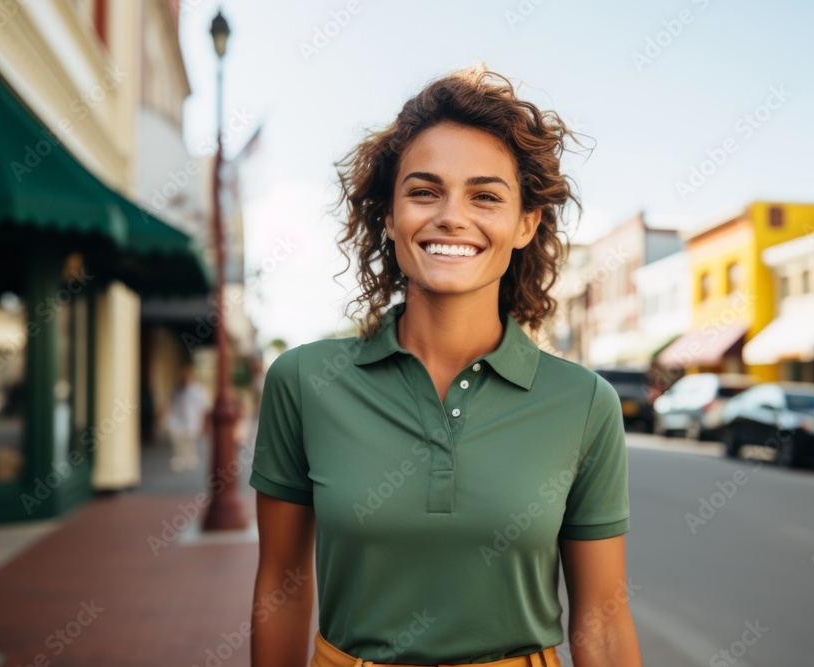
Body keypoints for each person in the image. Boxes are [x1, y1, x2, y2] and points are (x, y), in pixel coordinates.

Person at [250, 66, 642, 666]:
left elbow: (603, 619)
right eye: (424, 191)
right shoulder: (304, 382)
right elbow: (281, 585)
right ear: (389, 215)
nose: (451, 217)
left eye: (485, 196)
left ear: (525, 224)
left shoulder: (584, 403)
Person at [165, 365, 210, 472]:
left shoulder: (197, 389)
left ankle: (191, 459)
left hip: (192, 421)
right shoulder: (177, 389)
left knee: (189, 442)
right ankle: (179, 459)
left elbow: (204, 407)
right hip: (177, 420)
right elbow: (172, 404)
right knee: (178, 441)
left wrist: (205, 425)